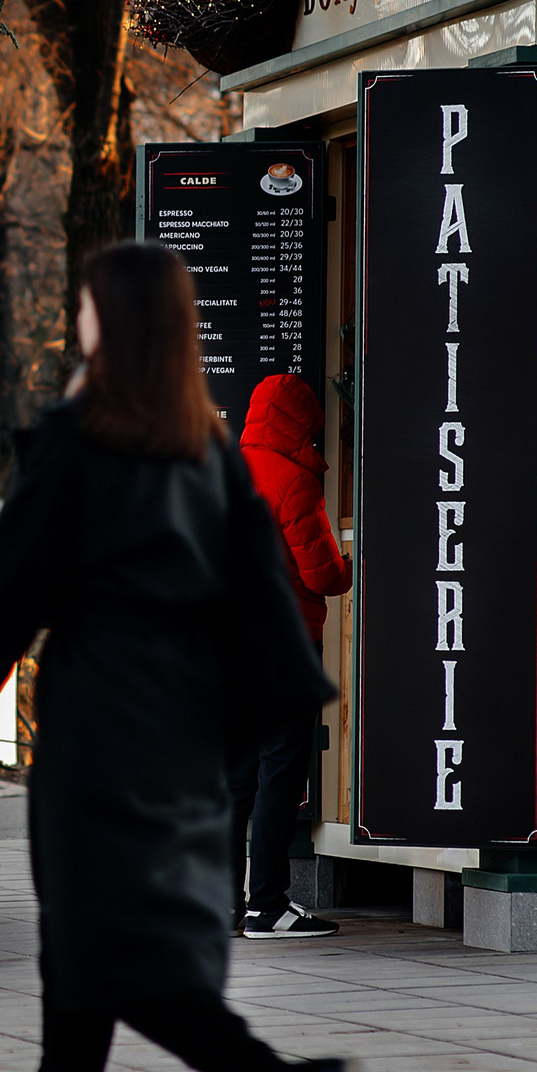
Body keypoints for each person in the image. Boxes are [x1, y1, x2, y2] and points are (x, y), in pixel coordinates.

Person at [0, 241, 352, 1072]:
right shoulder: (211, 454)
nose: (79, 318)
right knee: (85, 947)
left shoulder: (79, 439)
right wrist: (242, 734)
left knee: (104, 949)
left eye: (88, 306)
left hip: (98, 734)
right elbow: (268, 616)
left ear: (114, 321)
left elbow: (10, 592)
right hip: (185, 733)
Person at [232, 375, 353, 942]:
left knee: (234, 780)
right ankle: (269, 906)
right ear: (300, 421)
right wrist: (352, 568)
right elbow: (324, 574)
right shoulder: (293, 479)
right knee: (279, 774)